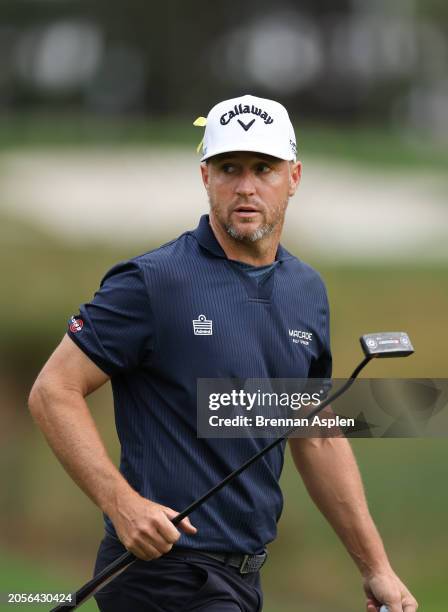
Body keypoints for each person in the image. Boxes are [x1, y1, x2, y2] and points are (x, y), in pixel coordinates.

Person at [28, 94, 418, 612]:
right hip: (160, 576)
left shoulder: (306, 291)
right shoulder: (153, 281)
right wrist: (121, 503)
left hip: (242, 579)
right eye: (229, 168)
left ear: (295, 177)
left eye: (264, 168)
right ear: (205, 176)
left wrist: (377, 568)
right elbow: (53, 390)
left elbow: (316, 436)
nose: (246, 186)